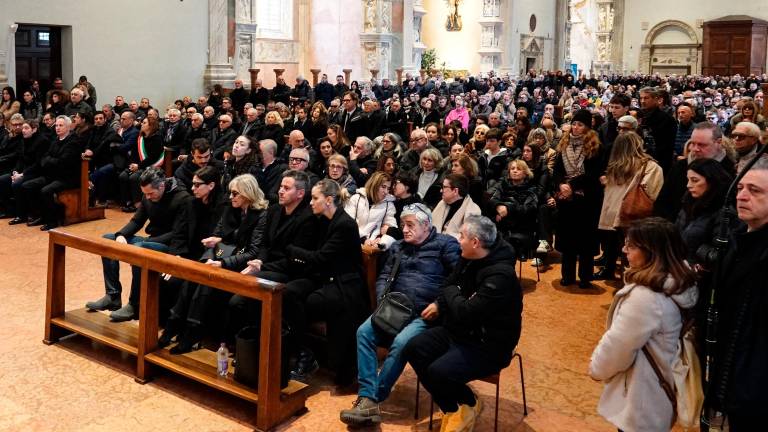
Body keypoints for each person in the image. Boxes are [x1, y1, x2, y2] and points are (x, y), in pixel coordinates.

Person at [340, 203, 460, 427]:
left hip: (426, 313)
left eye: (410, 225)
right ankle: (367, 396)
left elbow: (458, 280)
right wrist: (382, 300)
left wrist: (440, 304)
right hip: (394, 307)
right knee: (364, 332)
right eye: (403, 224)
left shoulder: (446, 245)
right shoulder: (399, 247)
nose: (404, 230)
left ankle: (372, 399)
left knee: (402, 342)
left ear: (426, 226)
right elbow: (384, 276)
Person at [403, 215, 522, 432]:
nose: (458, 240)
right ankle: (458, 406)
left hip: (489, 344)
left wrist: (451, 292)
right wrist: (448, 298)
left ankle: (465, 405)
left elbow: (466, 311)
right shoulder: (468, 256)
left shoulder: (501, 276)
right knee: (413, 348)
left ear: (476, 242)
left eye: (462, 236)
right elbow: (449, 284)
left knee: (439, 372)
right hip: (459, 330)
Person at [589, 217, 698, 432]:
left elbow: (618, 346)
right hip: (661, 393)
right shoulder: (679, 283)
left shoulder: (646, 298)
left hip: (642, 400)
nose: (624, 249)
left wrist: (596, 368)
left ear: (652, 252)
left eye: (631, 245)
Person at [277, 179, 369, 383]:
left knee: (310, 303)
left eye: (315, 198)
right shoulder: (322, 220)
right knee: (288, 293)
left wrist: (293, 251)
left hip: (345, 284)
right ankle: (302, 351)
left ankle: (306, 354)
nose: (311, 202)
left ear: (328, 200)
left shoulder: (344, 224)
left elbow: (320, 257)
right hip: (324, 277)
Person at [163, 173, 268, 353]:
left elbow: (252, 251)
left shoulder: (261, 215)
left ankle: (192, 332)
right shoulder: (230, 209)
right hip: (217, 257)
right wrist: (211, 256)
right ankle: (173, 325)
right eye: (230, 193)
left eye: (235, 194)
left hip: (239, 265)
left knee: (206, 282)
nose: (230, 197)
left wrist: (223, 263)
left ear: (247, 194)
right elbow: (218, 235)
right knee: (192, 276)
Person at [705, 156, 768, 430]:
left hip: (755, 388)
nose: (742, 196)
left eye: (755, 191)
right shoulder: (737, 237)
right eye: (740, 188)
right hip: (732, 377)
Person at [85, 168, 194, 321]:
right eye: (145, 194)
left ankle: (134, 305)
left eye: (151, 194)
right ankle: (113, 296)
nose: (147, 197)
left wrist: (146, 242)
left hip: (169, 246)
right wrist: (121, 235)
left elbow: (177, 233)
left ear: (161, 186)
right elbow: (137, 221)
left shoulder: (183, 199)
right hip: (149, 241)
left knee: (138, 249)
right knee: (108, 240)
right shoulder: (148, 196)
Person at [595, 132, 664, 280]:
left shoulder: (614, 167)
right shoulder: (649, 166)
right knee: (634, 252)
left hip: (612, 214)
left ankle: (611, 271)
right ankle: (630, 283)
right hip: (633, 215)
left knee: (616, 247)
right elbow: (652, 192)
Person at [553, 109, 606, 288]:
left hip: (587, 199)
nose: (576, 127)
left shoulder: (595, 146)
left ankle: (585, 277)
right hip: (567, 199)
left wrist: (572, 186)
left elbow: (594, 173)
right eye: (574, 124)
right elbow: (557, 169)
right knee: (568, 240)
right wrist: (562, 185)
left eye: (580, 124)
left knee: (585, 240)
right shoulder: (564, 143)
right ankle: (567, 275)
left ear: (587, 127)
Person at [655, 122, 735, 221]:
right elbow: (662, 202)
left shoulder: (730, 171)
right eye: (693, 143)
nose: (695, 149)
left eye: (702, 145)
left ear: (718, 143)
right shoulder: (680, 167)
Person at [675, 158, 733, 266]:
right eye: (688, 180)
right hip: (679, 266)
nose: (688, 185)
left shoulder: (724, 212)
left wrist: (700, 260)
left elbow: (720, 253)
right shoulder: (689, 202)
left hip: (699, 274)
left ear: (712, 181)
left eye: (695, 180)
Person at [487, 160, 540, 255]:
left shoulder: (532, 189)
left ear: (525, 173)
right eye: (512, 168)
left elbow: (529, 209)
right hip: (502, 225)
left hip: (522, 226)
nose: (515, 171)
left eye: (518, 169)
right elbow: (492, 200)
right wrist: (498, 207)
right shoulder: (502, 185)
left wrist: (507, 208)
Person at [0, 119, 48, 219]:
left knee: (17, 184)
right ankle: (9, 210)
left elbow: (38, 163)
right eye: (23, 128)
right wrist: (15, 171)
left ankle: (21, 214)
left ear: (34, 129)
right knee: (3, 180)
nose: (23, 130)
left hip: (36, 172)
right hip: (23, 171)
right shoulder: (24, 139)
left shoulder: (42, 141)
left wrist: (22, 174)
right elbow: (20, 159)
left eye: (26, 128)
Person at [118, 117, 164, 212]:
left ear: (151, 126)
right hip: (137, 165)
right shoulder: (140, 138)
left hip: (151, 166)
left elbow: (153, 157)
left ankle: (138, 204)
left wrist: (138, 166)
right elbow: (134, 154)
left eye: (144, 123)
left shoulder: (157, 139)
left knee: (134, 178)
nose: (141, 124)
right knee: (122, 176)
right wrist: (132, 164)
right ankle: (126, 202)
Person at [344, 171, 396, 247]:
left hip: (371, 249)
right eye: (383, 187)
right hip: (350, 241)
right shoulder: (356, 198)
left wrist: (380, 243)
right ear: (374, 185)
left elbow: (391, 229)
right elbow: (347, 223)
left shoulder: (389, 205)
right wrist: (363, 239)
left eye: (388, 188)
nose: (386, 192)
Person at [432, 173, 481, 240]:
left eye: (444, 187)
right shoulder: (442, 202)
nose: (441, 190)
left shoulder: (473, 211)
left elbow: (467, 239)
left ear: (455, 191)